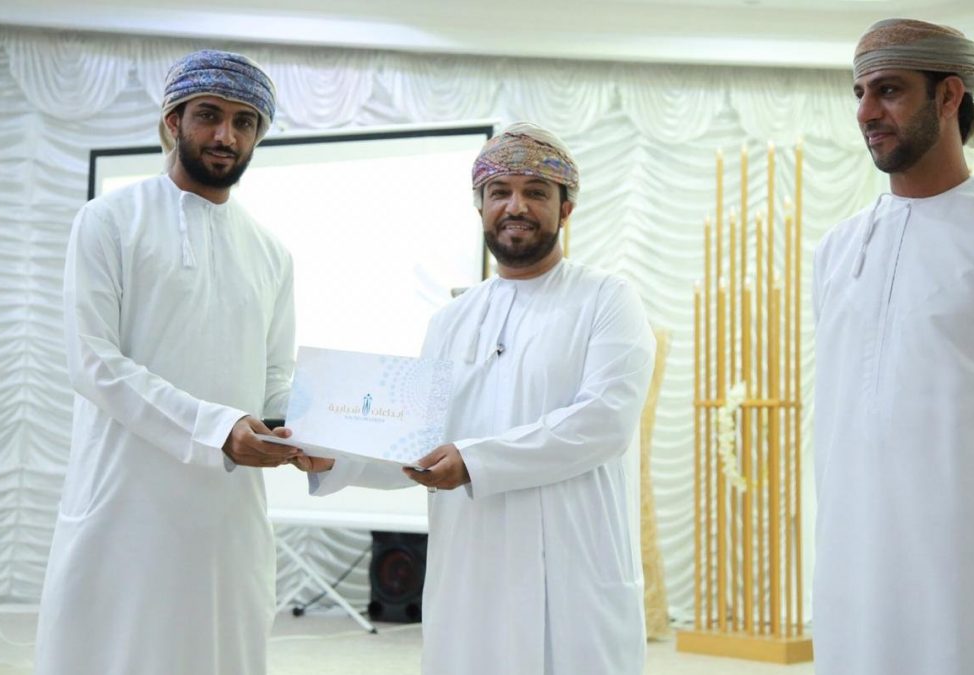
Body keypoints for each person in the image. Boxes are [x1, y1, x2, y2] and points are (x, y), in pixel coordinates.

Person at [296, 122, 656, 674]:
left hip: (573, 564)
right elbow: (416, 442)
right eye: (499, 192)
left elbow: (602, 423)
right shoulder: (450, 320)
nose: (516, 206)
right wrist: (334, 457)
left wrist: (474, 460)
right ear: (480, 206)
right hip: (472, 567)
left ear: (565, 209)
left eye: (536, 192)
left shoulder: (607, 300)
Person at [36, 50, 303, 675]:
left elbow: (274, 376)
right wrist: (217, 429)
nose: (225, 135)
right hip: (125, 502)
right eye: (208, 115)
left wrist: (306, 431)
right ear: (172, 121)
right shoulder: (109, 221)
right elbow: (94, 362)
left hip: (227, 514)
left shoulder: (271, 252)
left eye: (244, 122)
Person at [812, 18, 974, 675]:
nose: (866, 112)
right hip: (854, 565)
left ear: (948, 97)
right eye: (859, 92)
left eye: (888, 90)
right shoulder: (836, 250)